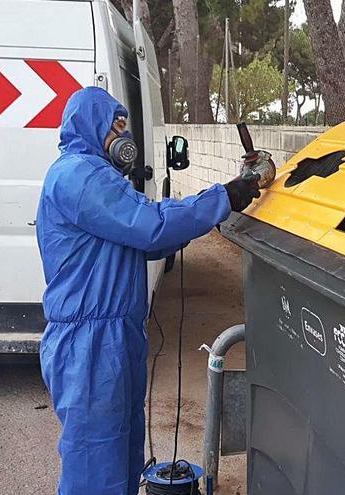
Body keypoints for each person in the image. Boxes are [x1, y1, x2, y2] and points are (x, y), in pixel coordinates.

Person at [36, 86, 259, 495]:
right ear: (89, 125)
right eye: (114, 126)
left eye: (124, 125)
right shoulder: (79, 175)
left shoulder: (97, 177)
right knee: (94, 469)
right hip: (88, 344)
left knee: (122, 458)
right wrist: (220, 198)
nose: (124, 137)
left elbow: (152, 239)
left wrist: (216, 207)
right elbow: (149, 223)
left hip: (113, 337)